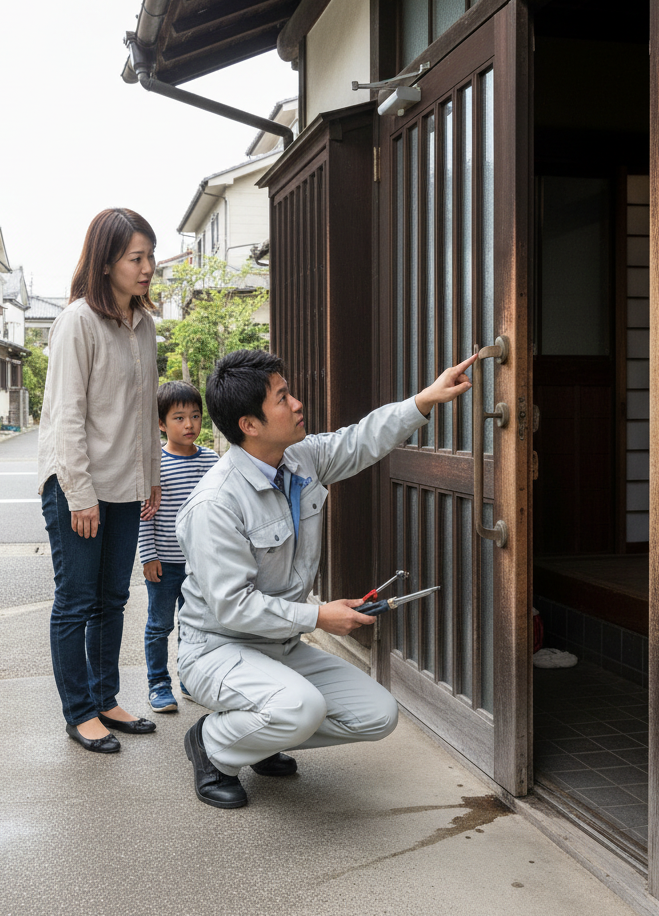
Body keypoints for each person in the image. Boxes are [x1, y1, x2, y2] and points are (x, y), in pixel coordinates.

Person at [176, 347, 478, 807]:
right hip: (218, 649)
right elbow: (233, 606)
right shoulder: (215, 504)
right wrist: (318, 616)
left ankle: (258, 738)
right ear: (249, 425)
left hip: (278, 646)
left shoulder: (299, 459)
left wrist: (426, 400)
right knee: (301, 707)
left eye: (289, 392)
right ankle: (214, 745)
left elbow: (360, 440)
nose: (297, 403)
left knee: (377, 714)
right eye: (282, 398)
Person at [37, 207, 162, 755]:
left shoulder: (144, 325)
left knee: (113, 598)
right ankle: (79, 712)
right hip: (77, 487)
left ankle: (106, 697)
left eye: (150, 256)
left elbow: (142, 412)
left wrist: (151, 476)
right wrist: (79, 495)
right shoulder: (78, 321)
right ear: (106, 260)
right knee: (77, 600)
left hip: (126, 485)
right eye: (137, 257)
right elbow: (68, 415)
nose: (148, 267)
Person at [138, 381, 218, 714]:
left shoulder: (212, 460)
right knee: (160, 625)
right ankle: (158, 684)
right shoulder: (153, 463)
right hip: (164, 564)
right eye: (179, 417)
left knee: (194, 624)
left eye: (196, 416)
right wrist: (149, 555)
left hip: (199, 564)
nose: (189, 425)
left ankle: (190, 678)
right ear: (161, 423)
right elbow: (143, 515)